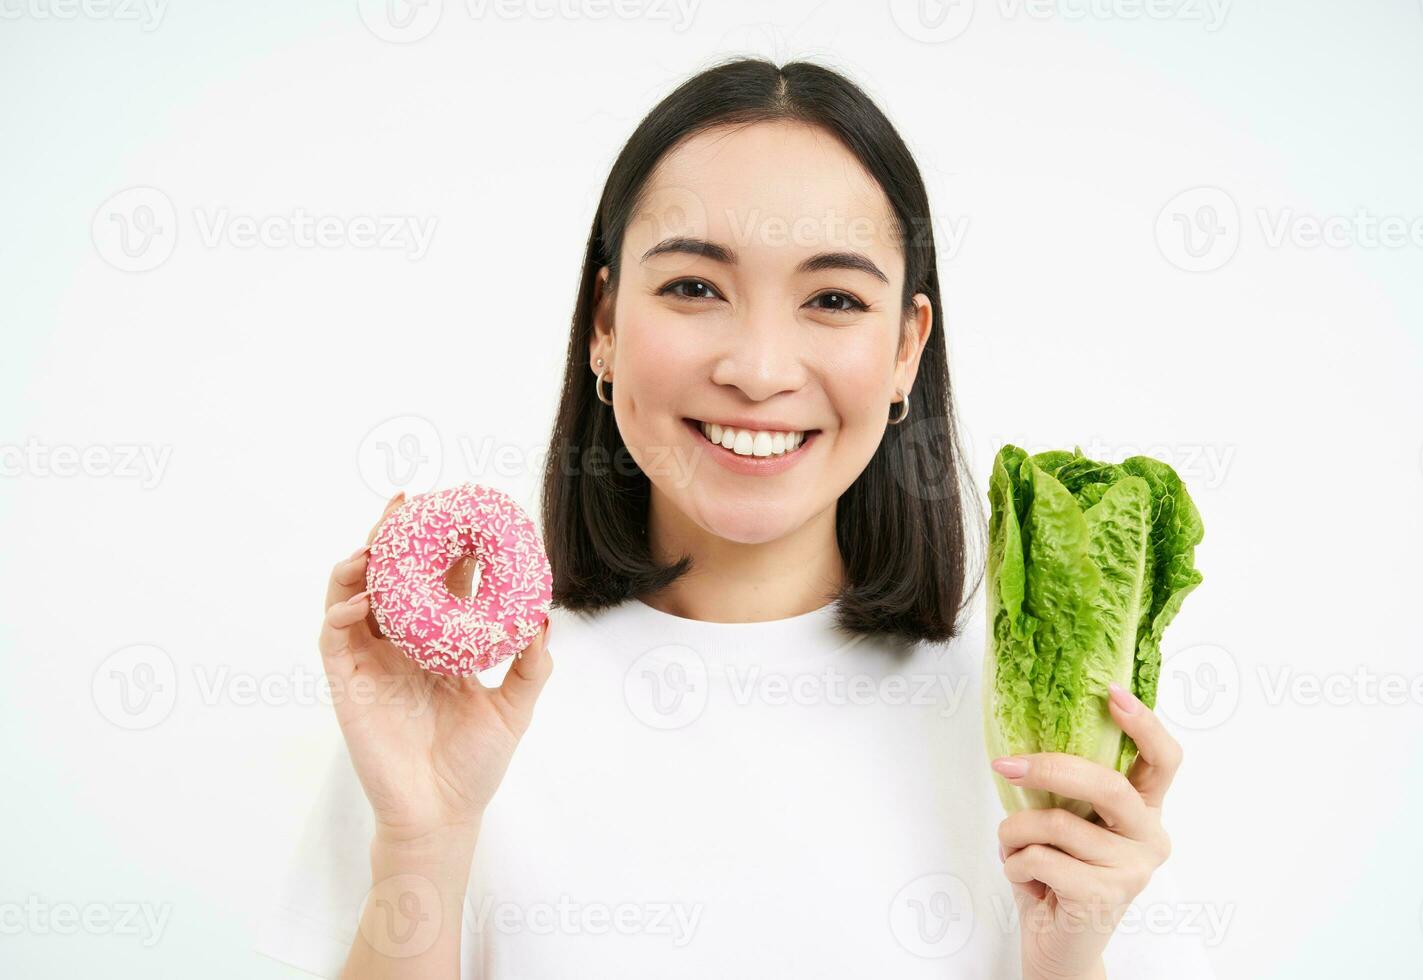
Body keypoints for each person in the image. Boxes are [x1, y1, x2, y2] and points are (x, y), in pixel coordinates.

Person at [256, 57, 1216, 979]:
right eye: (693, 287)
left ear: (904, 352)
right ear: (604, 322)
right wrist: (425, 842)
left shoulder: (1037, 752)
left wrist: (1066, 965)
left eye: (833, 298)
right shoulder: (457, 709)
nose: (759, 369)